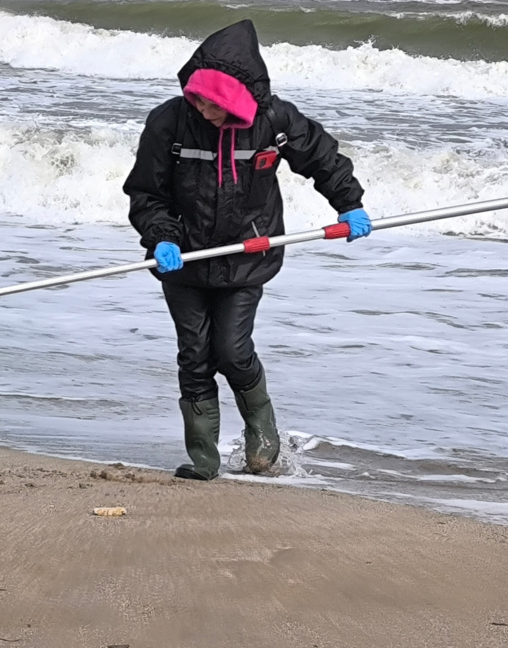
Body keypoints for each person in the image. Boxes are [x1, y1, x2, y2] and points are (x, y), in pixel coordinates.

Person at [123, 19, 371, 481]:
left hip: (247, 255)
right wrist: (162, 237)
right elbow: (145, 193)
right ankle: (204, 460)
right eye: (196, 98)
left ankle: (263, 437)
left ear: (238, 99)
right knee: (194, 355)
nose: (202, 110)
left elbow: (322, 157)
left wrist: (349, 204)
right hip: (183, 259)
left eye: (213, 104)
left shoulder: (275, 121)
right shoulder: (169, 121)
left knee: (232, 351)